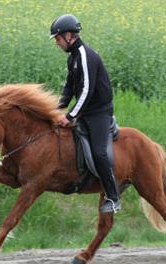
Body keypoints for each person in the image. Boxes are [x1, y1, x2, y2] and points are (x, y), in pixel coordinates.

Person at [49, 14, 121, 214]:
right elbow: (69, 88)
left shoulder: (85, 56)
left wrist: (70, 116)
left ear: (69, 36)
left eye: (58, 38)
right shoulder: (72, 57)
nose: (57, 43)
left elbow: (87, 91)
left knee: (99, 152)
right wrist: (55, 112)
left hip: (99, 113)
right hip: (86, 111)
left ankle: (113, 197)